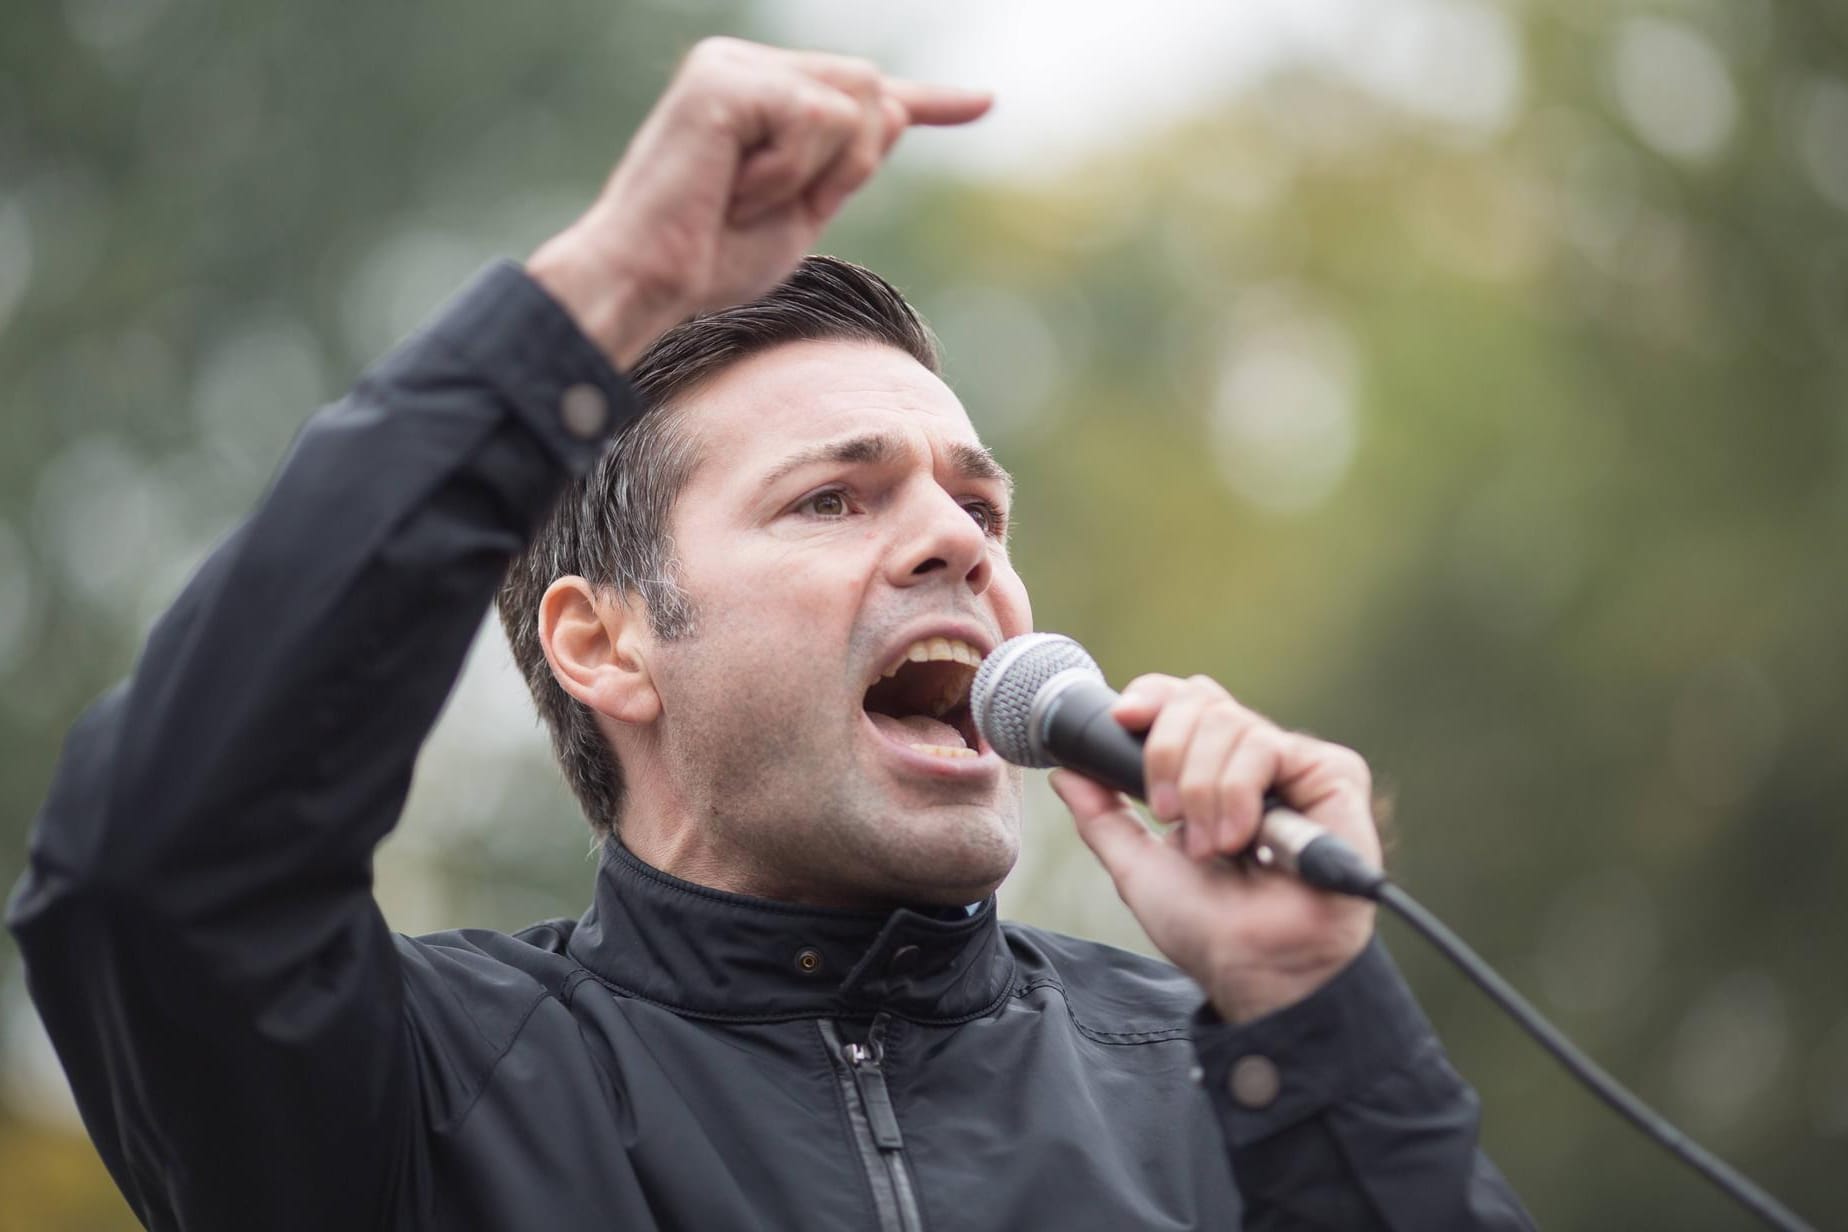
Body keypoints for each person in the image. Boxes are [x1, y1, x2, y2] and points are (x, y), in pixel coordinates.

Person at [9, 37, 1533, 1231]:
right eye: (831, 500)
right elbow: (156, 870)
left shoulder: (1224, 1085)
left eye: (981, 512)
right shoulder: (421, 1102)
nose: (957, 541)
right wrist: (611, 286)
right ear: (605, 647)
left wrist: (1314, 1015)